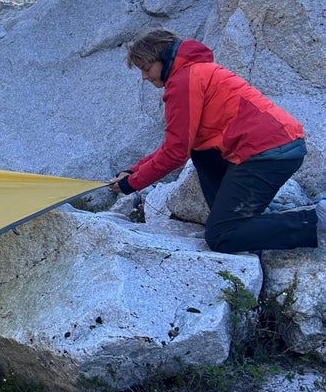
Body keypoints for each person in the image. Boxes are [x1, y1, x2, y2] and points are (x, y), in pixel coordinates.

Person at [109, 29, 326, 253]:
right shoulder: (195, 73)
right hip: (273, 146)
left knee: (221, 236)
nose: (144, 77)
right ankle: (257, 217)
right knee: (202, 151)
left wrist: (131, 184)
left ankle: (316, 218)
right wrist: (132, 171)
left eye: (146, 68)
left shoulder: (184, 81)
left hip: (267, 152)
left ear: (163, 59)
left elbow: (175, 154)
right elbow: (176, 144)